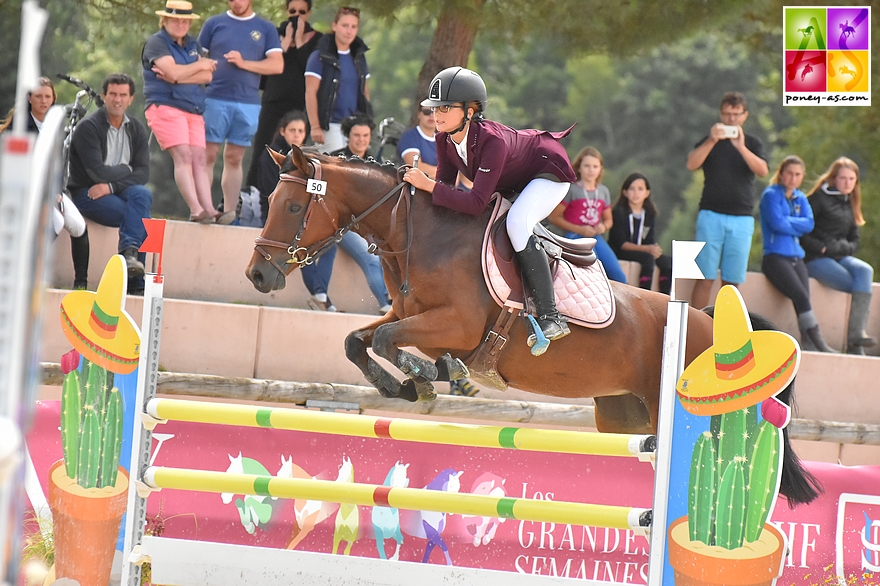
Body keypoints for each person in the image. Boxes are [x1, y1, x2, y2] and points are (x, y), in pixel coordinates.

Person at [403, 66, 576, 355]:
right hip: (514, 178)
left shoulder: (491, 142)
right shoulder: (444, 138)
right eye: (435, 107)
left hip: (548, 172)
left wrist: (428, 185)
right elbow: (445, 188)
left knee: (518, 223)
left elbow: (473, 203)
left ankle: (550, 315)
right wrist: (424, 191)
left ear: (470, 111)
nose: (437, 114)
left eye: (445, 107)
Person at [258, 110, 391, 314]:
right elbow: (315, 188)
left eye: (366, 136)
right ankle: (386, 303)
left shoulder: (375, 161)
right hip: (340, 221)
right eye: (357, 135)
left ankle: (322, 296)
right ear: (348, 136)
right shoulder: (335, 161)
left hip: (366, 223)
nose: (361, 140)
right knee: (347, 252)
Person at [67, 73, 153, 294]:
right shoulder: (88, 128)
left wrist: (112, 186)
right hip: (88, 193)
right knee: (140, 215)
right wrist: (127, 169)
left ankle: (128, 254)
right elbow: (97, 173)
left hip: (113, 191)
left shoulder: (136, 128)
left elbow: (143, 173)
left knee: (142, 195)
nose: (117, 99)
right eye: (112, 94)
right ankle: (134, 280)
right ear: (104, 96)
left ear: (131, 98)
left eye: (123, 95)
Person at [198, 0, 282, 224]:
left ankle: (230, 211)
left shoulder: (266, 28)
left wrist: (244, 63)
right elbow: (197, 58)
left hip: (247, 102)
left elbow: (276, 65)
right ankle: (202, 209)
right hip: (215, 98)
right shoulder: (214, 23)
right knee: (208, 154)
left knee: (235, 157)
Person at [1, 78, 90, 289]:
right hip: (26, 190)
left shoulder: (55, 126)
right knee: (56, 221)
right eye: (38, 96)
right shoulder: (18, 127)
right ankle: (24, 270)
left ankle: (81, 285)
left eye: (47, 97)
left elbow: (58, 164)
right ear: (29, 98)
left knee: (78, 225)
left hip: (52, 190)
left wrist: (56, 191)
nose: (43, 101)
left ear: (53, 99)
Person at [686, 92, 769, 310]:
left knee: (732, 281)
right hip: (710, 214)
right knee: (705, 276)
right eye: (727, 114)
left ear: (744, 115)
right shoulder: (709, 141)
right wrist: (713, 140)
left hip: (741, 218)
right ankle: (696, 325)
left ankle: (726, 328)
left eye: (736, 114)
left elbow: (763, 170)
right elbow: (692, 164)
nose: (731, 119)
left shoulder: (753, 143)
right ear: (721, 114)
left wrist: (740, 147)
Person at [142, 0, 219, 223]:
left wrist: (180, 74)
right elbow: (174, 73)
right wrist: (198, 65)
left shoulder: (191, 43)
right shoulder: (156, 43)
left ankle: (210, 210)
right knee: (184, 155)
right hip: (165, 104)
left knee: (199, 157)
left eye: (185, 20)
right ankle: (196, 210)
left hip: (192, 108)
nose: (181, 24)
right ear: (165, 20)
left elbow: (208, 76)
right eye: (176, 19)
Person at [244, 0, 322, 193]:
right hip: (273, 103)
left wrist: (301, 43)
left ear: (309, 13)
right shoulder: (273, 35)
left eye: (302, 12)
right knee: (262, 151)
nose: (297, 16)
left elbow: (312, 71)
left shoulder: (317, 40)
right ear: (286, 11)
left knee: (297, 154)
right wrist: (285, 44)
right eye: (292, 11)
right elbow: (264, 72)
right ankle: (252, 194)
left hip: (299, 106)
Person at [759, 155, 833, 353]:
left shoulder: (801, 197)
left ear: (802, 177)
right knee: (800, 295)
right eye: (789, 173)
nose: (793, 178)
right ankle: (819, 342)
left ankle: (808, 345)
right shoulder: (770, 195)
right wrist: (794, 224)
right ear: (781, 174)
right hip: (775, 257)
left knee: (804, 300)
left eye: (797, 174)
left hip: (796, 256)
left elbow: (809, 224)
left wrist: (788, 222)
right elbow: (776, 223)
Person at [802, 157, 875, 355]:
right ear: (834, 178)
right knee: (857, 285)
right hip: (816, 258)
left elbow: (855, 240)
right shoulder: (817, 199)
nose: (847, 183)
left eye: (852, 179)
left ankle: (856, 337)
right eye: (843, 178)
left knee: (865, 270)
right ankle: (855, 344)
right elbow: (802, 233)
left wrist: (840, 247)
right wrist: (823, 248)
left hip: (840, 256)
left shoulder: (850, 202)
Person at [547, 146, 627, 284]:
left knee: (618, 275)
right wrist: (580, 229)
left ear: (601, 169)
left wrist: (603, 227)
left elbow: (608, 220)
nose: (591, 170)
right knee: (594, 270)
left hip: (596, 236)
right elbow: (554, 217)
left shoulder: (603, 191)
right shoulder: (571, 189)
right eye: (587, 166)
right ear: (579, 167)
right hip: (574, 236)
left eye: (595, 166)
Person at [304, 6, 372, 153]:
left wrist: (365, 122)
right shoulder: (320, 57)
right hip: (330, 124)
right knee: (335, 169)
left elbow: (364, 91)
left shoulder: (359, 58)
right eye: (345, 25)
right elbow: (310, 92)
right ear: (334, 26)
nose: (349, 31)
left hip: (354, 126)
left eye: (353, 27)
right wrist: (315, 126)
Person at [607, 172, 672, 294]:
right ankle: (644, 294)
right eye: (632, 189)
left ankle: (664, 296)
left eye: (640, 189)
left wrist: (653, 249)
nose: (636, 193)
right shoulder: (618, 212)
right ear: (625, 192)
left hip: (642, 251)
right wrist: (648, 249)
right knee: (647, 258)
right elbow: (621, 243)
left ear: (647, 193)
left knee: (668, 262)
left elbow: (649, 240)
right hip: (621, 251)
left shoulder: (649, 214)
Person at [397, 105, 438, 178]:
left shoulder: (445, 140)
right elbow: (416, 168)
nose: (431, 115)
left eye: (435, 112)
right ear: (419, 114)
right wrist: (444, 173)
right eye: (427, 112)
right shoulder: (409, 137)